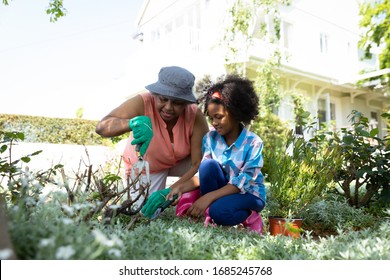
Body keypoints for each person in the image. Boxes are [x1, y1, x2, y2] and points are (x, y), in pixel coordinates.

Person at [142, 74, 266, 234]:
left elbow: (240, 183)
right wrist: (177, 189)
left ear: (236, 113)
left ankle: (250, 216)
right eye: (211, 117)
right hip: (223, 191)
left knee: (219, 212)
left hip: (249, 194)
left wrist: (206, 198)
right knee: (208, 165)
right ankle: (210, 212)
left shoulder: (253, 143)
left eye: (219, 117)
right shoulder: (210, 139)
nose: (213, 123)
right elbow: (202, 176)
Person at [95, 66, 209, 198]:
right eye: (163, 99)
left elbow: (198, 163)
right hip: (148, 167)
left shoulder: (194, 115)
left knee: (208, 169)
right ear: (155, 95)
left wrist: (171, 190)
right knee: (143, 213)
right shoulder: (143, 102)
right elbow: (101, 127)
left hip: (180, 163)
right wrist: (131, 123)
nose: (168, 107)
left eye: (177, 103)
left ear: (186, 103)